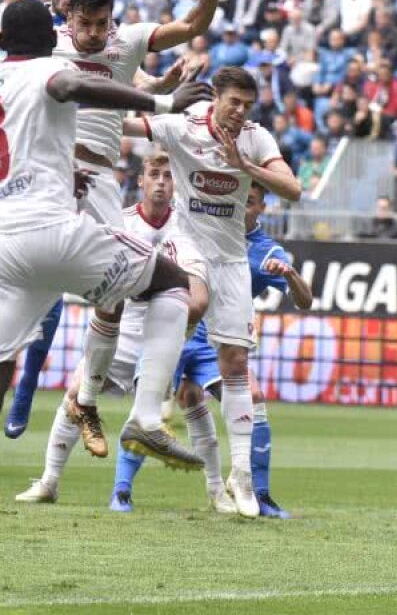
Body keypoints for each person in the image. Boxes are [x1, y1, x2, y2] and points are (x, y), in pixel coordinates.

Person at [0, 0, 211, 597]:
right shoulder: (47, 69)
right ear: (43, 41)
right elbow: (77, 83)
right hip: (54, 229)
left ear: (1, 39)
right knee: (175, 286)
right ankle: (146, 418)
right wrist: (163, 102)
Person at [0, 0, 227, 458]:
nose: (90, 34)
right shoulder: (47, 45)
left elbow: (190, 27)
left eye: (99, 25)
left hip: (101, 174)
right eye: (83, 24)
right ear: (67, 17)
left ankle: (86, 400)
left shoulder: (125, 42)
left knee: (117, 297)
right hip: (50, 175)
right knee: (19, 267)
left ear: (111, 22)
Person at [121, 66, 303, 518]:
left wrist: (245, 166)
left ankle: (241, 476)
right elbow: (123, 123)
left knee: (236, 363)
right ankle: (151, 406)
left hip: (231, 258)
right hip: (186, 243)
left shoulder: (256, 139)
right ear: (215, 99)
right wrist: (153, 92)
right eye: (233, 103)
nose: (239, 112)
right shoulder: (184, 125)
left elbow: (294, 190)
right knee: (194, 302)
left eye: (247, 105)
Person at [15, 151, 210, 507]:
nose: (162, 183)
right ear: (141, 181)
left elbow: (197, 300)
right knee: (75, 396)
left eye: (168, 176)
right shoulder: (120, 222)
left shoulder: (184, 229)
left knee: (156, 415)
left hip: (161, 338)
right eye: (155, 174)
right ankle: (49, 481)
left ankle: (141, 492)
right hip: (120, 331)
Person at [108, 181, 312, 518]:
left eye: (250, 202)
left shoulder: (264, 250)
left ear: (261, 207)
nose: (242, 206)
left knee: (252, 396)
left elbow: (305, 300)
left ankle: (257, 493)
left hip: (214, 343)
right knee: (152, 408)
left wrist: (290, 275)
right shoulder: (199, 231)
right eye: (239, 199)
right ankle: (122, 490)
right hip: (174, 329)